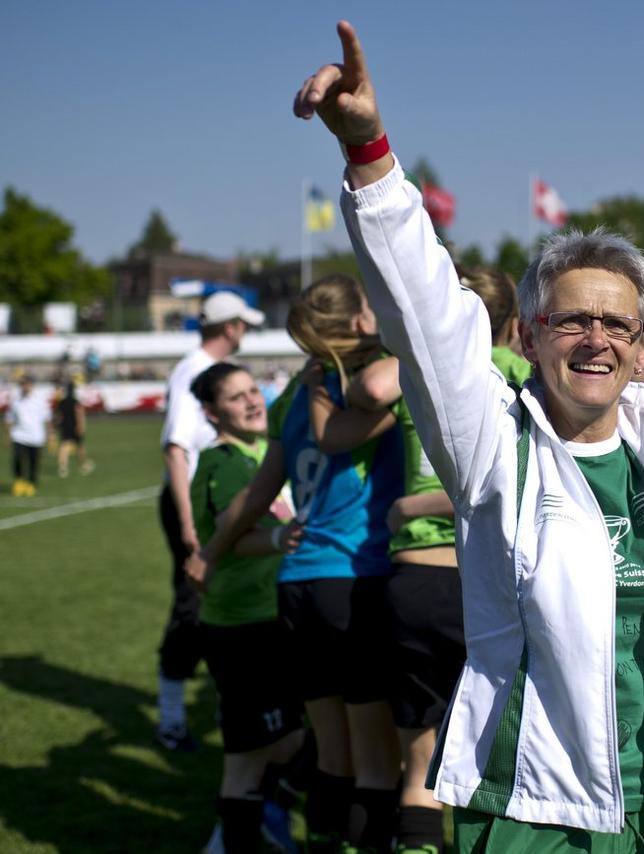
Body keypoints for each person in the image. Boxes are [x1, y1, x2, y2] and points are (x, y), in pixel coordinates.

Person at [294, 21, 644, 852]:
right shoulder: (490, 442)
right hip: (535, 805)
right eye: (571, 320)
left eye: (617, 323)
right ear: (525, 335)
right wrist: (370, 155)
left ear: (643, 345)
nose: (595, 338)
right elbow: (423, 313)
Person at [308, 264, 532, 854]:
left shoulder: (422, 375)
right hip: (487, 583)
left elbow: (342, 426)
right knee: (502, 761)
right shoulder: (524, 376)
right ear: (512, 323)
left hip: (410, 583)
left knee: (420, 765)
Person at [189, 275, 405, 853]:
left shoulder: (291, 393)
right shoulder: (377, 377)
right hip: (354, 577)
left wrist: (210, 550)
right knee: (379, 765)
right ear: (359, 320)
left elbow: (260, 490)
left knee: (332, 755)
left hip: (297, 587)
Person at [188, 362, 306, 853]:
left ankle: (255, 818)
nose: (252, 401)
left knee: (286, 740)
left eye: (252, 390)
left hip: (267, 616)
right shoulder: (224, 462)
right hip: (241, 626)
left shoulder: (261, 450)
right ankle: (233, 836)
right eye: (236, 398)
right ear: (213, 413)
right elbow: (237, 540)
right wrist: (283, 536)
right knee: (253, 754)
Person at [156, 289, 263, 751]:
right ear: (231, 327)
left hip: (219, 496)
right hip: (200, 503)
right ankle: (173, 719)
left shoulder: (202, 368)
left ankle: (237, 709)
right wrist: (188, 524)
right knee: (193, 604)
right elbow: (177, 449)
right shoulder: (195, 372)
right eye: (244, 324)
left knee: (226, 597)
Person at [6, 374, 48, 497]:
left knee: (34, 462)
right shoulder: (16, 401)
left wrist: (50, 434)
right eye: (22, 384)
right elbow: (9, 419)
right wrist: (8, 435)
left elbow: (47, 418)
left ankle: (31, 483)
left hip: (36, 437)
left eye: (26, 384)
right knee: (17, 459)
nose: (24, 387)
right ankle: (19, 481)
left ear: (31, 385)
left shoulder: (40, 400)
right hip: (19, 436)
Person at [54, 378, 94, 477]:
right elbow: (79, 414)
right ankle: (83, 465)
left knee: (64, 446)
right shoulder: (76, 402)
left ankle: (63, 468)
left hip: (65, 427)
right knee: (80, 447)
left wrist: (56, 426)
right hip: (75, 426)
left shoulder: (61, 402)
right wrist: (81, 426)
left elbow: (58, 416)